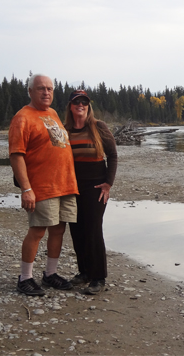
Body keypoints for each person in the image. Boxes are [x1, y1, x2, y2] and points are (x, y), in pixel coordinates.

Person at [9, 74, 79, 296]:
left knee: (58, 230)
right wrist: (26, 189)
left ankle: (50, 274)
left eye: (49, 88)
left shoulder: (53, 113)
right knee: (37, 231)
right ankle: (25, 278)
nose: (46, 92)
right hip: (42, 186)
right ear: (30, 91)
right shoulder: (22, 117)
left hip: (65, 184)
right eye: (41, 88)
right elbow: (16, 155)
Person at [64, 89, 118, 295]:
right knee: (76, 230)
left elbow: (112, 156)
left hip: (96, 186)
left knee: (93, 229)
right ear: (70, 105)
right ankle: (84, 272)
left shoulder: (98, 127)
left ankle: (98, 277)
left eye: (84, 102)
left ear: (89, 106)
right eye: (77, 101)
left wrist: (108, 184)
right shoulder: (65, 130)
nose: (81, 105)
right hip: (72, 186)